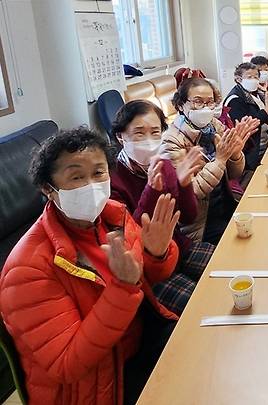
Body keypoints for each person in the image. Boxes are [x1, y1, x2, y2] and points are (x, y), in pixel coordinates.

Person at [0, 128, 180, 404]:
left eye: (98, 173)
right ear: (48, 189)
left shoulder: (113, 216)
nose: (91, 185)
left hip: (140, 341)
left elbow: (147, 280)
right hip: (96, 386)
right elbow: (67, 364)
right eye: (76, 177)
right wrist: (122, 288)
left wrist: (156, 254)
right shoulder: (27, 269)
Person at [110, 99, 216, 315]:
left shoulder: (164, 163)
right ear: (121, 137)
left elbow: (187, 217)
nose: (149, 140)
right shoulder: (113, 180)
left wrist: (184, 185)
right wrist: (151, 189)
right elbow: (133, 237)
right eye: (139, 133)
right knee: (205, 308)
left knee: (231, 267)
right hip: (150, 270)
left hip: (180, 248)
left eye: (155, 132)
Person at [161, 77, 260, 244]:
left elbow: (234, 174)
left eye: (210, 102)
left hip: (226, 203)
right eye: (198, 102)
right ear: (180, 105)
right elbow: (190, 192)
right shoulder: (171, 141)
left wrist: (235, 155)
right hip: (200, 224)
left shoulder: (214, 126)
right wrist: (220, 160)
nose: (205, 108)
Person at [224, 63, 268, 170]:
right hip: (250, 150)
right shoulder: (235, 99)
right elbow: (249, 126)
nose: (253, 80)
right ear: (238, 79)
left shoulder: (256, 93)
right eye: (249, 77)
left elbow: (267, 118)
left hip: (265, 139)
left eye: (255, 77)